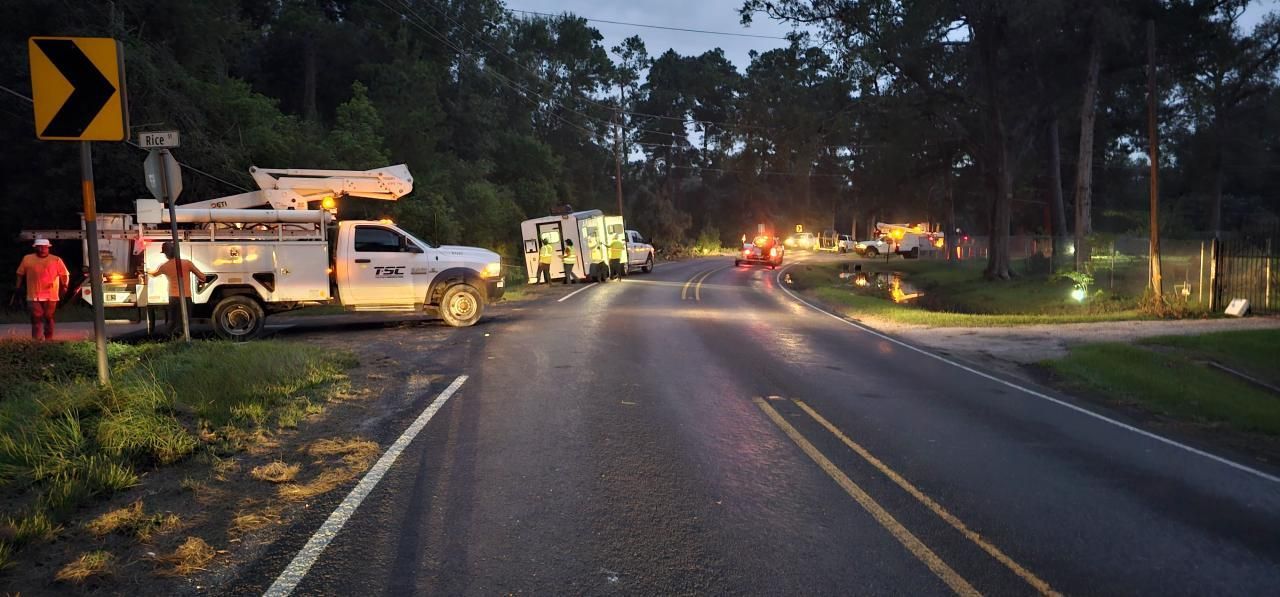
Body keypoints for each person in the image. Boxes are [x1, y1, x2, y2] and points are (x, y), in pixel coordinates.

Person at [15, 238, 70, 340]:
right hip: (33, 294)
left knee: (48, 316)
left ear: (48, 248)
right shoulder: (27, 259)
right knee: (37, 317)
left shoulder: (56, 260)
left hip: (51, 294)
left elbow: (65, 274)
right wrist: (17, 287)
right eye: (39, 247)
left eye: (44, 247)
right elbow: (20, 274)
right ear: (35, 248)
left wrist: (65, 285)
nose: (42, 249)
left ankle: (48, 338)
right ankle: (37, 341)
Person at [148, 242, 207, 337]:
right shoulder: (187, 263)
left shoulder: (164, 266)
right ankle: (182, 339)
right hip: (186, 297)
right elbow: (202, 277)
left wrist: (147, 271)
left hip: (173, 298)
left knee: (173, 320)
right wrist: (202, 280)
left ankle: (170, 338)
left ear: (166, 254)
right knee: (185, 321)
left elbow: (153, 274)